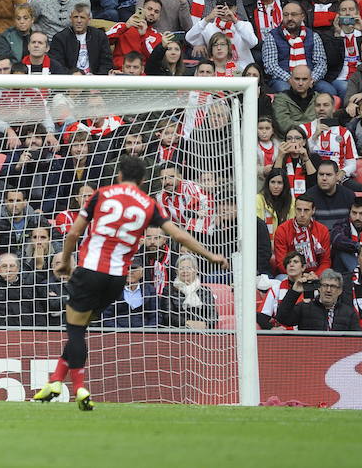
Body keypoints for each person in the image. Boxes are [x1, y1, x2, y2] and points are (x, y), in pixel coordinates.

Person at [33, 155, 224, 410]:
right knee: (80, 330)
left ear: (119, 175)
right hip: (117, 280)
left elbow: (75, 232)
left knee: (75, 330)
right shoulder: (149, 204)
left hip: (90, 271)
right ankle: (56, 379)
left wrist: (66, 261)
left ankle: (77, 386)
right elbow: (177, 233)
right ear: (144, 180)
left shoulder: (102, 194)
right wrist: (210, 255)